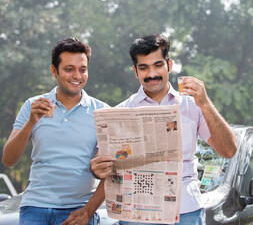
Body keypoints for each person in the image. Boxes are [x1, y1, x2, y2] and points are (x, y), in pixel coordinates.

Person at [90, 34, 237, 224]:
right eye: (144, 68)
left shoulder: (193, 105)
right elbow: (103, 164)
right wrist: (96, 167)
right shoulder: (121, 112)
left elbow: (229, 150)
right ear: (135, 71)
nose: (152, 74)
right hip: (136, 215)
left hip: (186, 212)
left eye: (158, 65)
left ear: (169, 65)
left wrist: (206, 104)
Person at [2, 38, 109, 225]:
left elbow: (112, 172)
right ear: (54, 71)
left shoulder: (103, 112)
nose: (77, 75)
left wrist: (88, 211)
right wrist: (30, 123)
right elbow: (8, 160)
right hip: (35, 209)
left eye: (82, 69)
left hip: (79, 210)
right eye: (69, 69)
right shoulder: (32, 106)